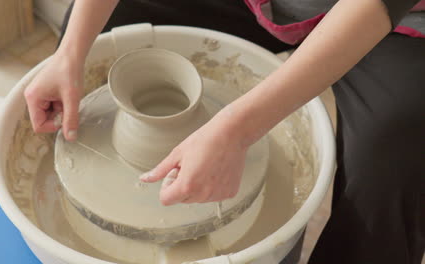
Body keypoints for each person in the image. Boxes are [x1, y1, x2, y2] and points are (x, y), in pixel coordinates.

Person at [24, 1, 425, 263]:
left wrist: (238, 130)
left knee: (393, 155)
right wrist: (72, 52)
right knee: (106, 24)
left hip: (390, 19)